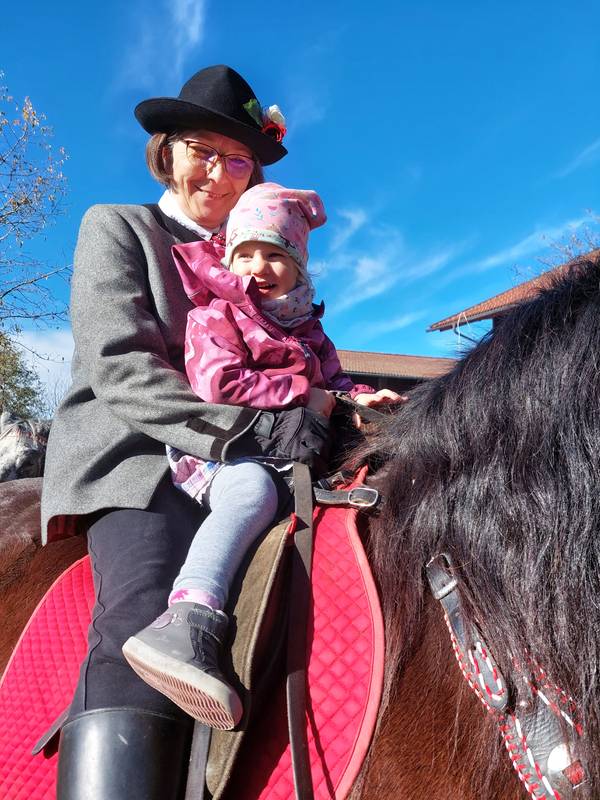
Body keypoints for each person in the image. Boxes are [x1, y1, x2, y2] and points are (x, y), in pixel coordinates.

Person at [40, 65, 325, 800]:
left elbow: (293, 354)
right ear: (166, 151)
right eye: (203, 151)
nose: (220, 174)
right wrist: (253, 428)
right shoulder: (117, 226)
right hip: (135, 456)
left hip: (250, 455)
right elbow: (122, 366)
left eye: (239, 160)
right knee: (141, 604)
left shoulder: (260, 251)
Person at [121, 183, 398, 730]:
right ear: (228, 259)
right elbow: (218, 384)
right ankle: (188, 618)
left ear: (298, 267)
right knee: (251, 491)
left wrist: (363, 398)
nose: (258, 266)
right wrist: (303, 393)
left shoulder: (309, 330)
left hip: (292, 451)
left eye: (275, 254)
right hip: (226, 449)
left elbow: (336, 385)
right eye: (245, 253)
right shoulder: (215, 316)